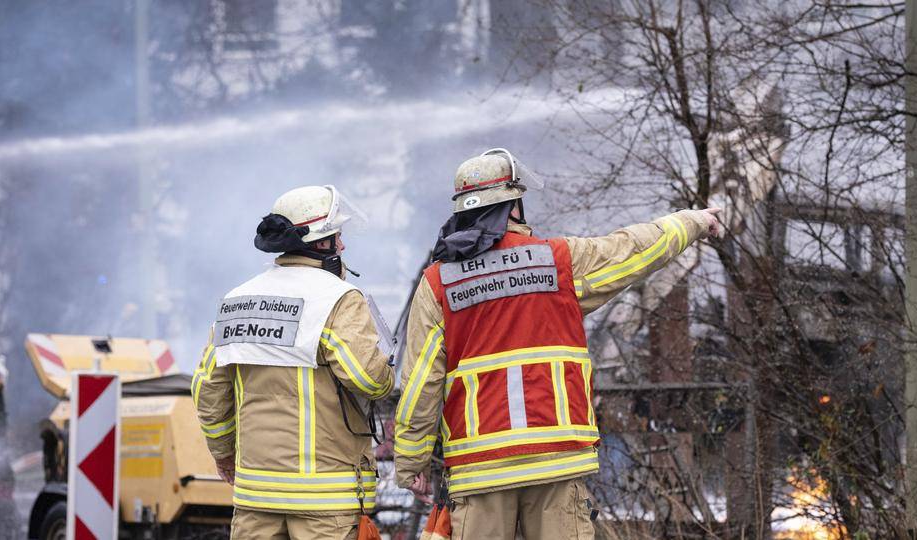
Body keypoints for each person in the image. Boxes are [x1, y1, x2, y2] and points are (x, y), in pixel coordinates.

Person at [393, 149, 720, 539]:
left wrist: (410, 462)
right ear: (514, 204)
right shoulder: (559, 262)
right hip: (556, 457)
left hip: (479, 466)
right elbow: (633, 248)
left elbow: (419, 385)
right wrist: (692, 221)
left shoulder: (437, 284)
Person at [193, 185, 394, 540]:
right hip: (324, 500)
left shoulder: (236, 300)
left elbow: (208, 391)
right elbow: (370, 380)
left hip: (255, 496)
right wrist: (386, 364)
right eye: (337, 236)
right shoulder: (338, 299)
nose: (342, 246)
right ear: (320, 244)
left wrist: (224, 455)